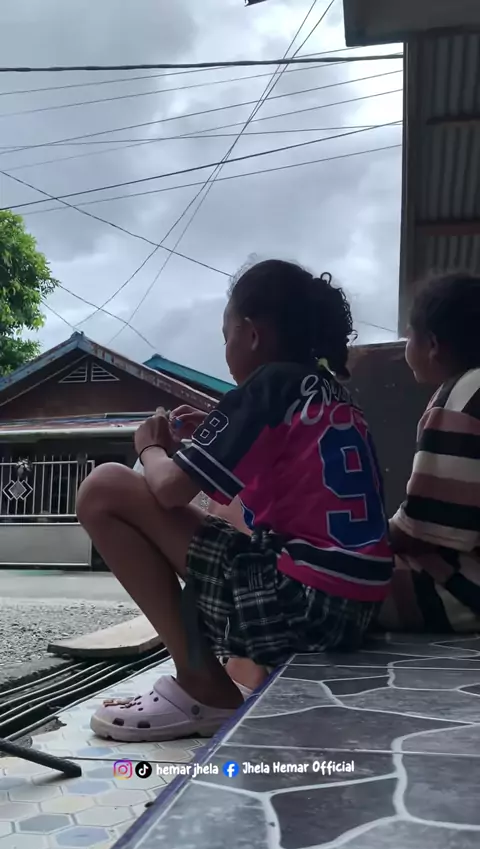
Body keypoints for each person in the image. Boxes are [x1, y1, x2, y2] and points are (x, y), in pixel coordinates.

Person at [77, 259, 392, 743]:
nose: (225, 350)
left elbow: (169, 489)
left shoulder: (267, 387)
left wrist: (150, 447)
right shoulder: (331, 395)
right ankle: (218, 669)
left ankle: (202, 686)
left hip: (300, 605)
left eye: (226, 336)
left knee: (105, 488)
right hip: (352, 608)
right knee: (227, 514)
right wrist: (209, 436)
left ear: (251, 334)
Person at [378, 273, 480, 632]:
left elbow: (419, 530)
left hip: (467, 595)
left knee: (330, 583)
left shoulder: (461, 398)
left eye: (409, 335)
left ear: (432, 344)